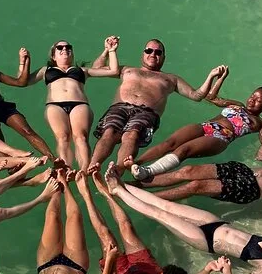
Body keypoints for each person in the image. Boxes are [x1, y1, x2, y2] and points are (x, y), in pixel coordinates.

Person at [105, 162, 262, 274]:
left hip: (206, 241)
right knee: (165, 205)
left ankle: (117, 191)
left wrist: (228, 273)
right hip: (216, 223)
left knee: (158, 214)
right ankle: (122, 185)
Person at [78, 170, 220, 274]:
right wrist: (207, 269)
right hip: (146, 267)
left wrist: (111, 261)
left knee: (106, 235)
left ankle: (86, 195)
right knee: (127, 227)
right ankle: (106, 193)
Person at [0, 170, 118, 274]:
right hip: (75, 265)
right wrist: (109, 259)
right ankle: (65, 183)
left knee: (52, 217)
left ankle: (57, 188)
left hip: (47, 262)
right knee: (74, 217)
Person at [87, 38, 226, 173]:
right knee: (109, 132)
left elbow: (196, 95)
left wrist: (211, 76)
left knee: (132, 135)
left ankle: (118, 170)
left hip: (146, 112)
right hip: (119, 107)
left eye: (158, 52)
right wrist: (107, 51)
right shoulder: (127, 69)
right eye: (149, 50)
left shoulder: (171, 79)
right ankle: (93, 165)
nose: (153, 54)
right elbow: (96, 69)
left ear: (163, 57)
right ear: (143, 53)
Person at [138, 133, 262, 222]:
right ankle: (137, 184)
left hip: (251, 189)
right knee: (188, 170)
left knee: (196, 186)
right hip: (244, 171)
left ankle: (142, 199)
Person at [129, 67, 262, 181]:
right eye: (252, 96)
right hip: (206, 126)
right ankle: (135, 164)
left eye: (258, 100)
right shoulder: (237, 105)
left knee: (184, 150)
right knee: (170, 143)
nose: (252, 100)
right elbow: (211, 97)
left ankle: (147, 172)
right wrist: (220, 78)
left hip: (221, 137)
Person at [25, 37, 120, 172]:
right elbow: (24, 81)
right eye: (60, 48)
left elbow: (113, 71)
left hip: (79, 104)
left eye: (68, 47)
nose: (65, 49)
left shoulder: (82, 70)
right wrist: (24, 62)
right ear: (53, 56)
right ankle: (66, 170)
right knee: (62, 138)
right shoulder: (45, 70)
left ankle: (84, 171)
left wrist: (111, 51)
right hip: (55, 105)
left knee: (81, 137)